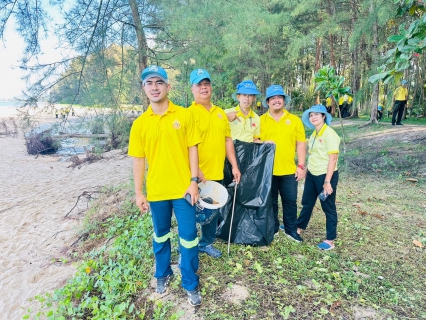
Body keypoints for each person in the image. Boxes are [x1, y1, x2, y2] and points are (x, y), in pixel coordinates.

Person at [128, 65, 202, 306]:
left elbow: (193, 149)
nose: (154, 87)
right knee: (160, 236)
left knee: (189, 237)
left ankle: (190, 282)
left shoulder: (184, 115)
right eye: (149, 83)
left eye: (159, 82)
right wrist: (139, 193)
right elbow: (139, 160)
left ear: (168, 86)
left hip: (183, 190)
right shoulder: (139, 124)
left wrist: (193, 182)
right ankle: (163, 273)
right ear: (144, 89)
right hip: (157, 191)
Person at [188, 68, 241, 258]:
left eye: (206, 84)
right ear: (192, 89)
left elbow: (228, 141)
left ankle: (207, 243)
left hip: (216, 173)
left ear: (211, 87)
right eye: (199, 85)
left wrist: (234, 166)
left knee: (212, 211)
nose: (204, 88)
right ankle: (188, 245)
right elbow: (183, 146)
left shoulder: (220, 113)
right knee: (191, 213)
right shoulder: (188, 114)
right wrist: (195, 171)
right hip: (194, 175)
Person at [253, 85, 306, 242]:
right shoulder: (260, 120)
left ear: (284, 100)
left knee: (290, 201)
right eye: (273, 98)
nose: (276, 100)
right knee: (271, 201)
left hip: (289, 169)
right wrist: (262, 142)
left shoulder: (294, 120)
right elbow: (254, 139)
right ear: (267, 102)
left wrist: (301, 165)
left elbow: (301, 143)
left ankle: (291, 230)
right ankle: (274, 227)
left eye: (279, 97)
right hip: (267, 170)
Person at [296, 104, 340, 250]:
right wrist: (306, 171)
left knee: (328, 207)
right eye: (311, 115)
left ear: (324, 117)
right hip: (312, 174)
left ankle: (330, 240)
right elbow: (314, 155)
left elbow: (332, 159)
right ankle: (299, 227)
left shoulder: (330, 134)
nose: (313, 117)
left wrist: (327, 182)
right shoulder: (315, 134)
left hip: (325, 176)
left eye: (316, 114)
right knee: (307, 203)